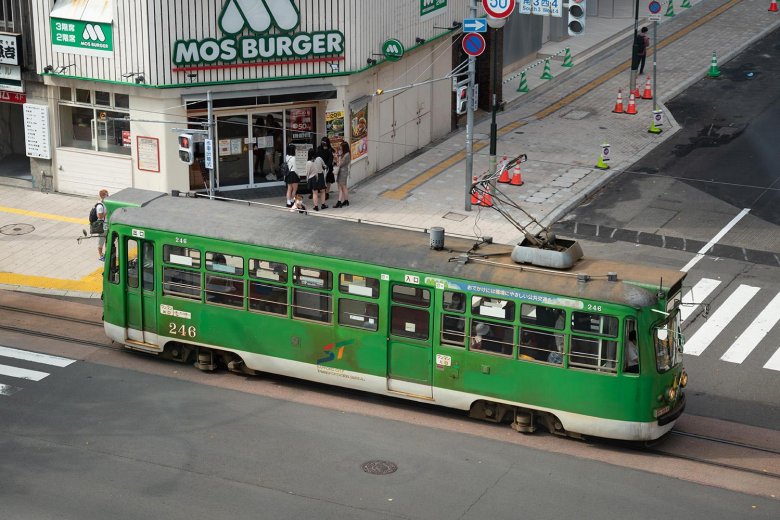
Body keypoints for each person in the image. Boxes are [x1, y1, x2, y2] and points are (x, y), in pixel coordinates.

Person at [334, 141, 351, 208]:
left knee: (342, 187)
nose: (340, 148)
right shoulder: (346, 154)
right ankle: (346, 201)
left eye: (341, 147)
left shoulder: (346, 155)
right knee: (343, 187)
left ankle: (339, 202)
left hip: (342, 173)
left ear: (344, 148)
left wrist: (337, 158)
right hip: (343, 172)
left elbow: (339, 164)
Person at [95, 189, 108, 262]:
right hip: (102, 226)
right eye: (107, 194)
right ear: (103, 196)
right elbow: (100, 216)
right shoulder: (100, 206)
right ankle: (100, 255)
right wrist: (107, 212)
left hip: (106, 225)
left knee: (107, 239)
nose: (108, 195)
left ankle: (106, 253)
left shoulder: (105, 203)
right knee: (101, 241)